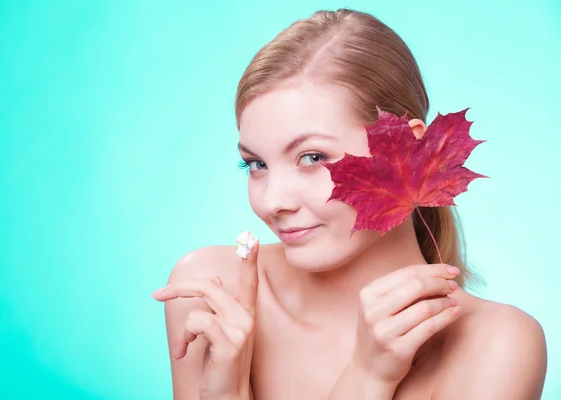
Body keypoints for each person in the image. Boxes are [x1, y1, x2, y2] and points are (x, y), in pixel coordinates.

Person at [153, 8, 548, 400]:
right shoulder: (211, 292)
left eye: (312, 157)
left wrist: (369, 378)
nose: (273, 202)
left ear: (404, 150)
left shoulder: (497, 345)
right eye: (255, 164)